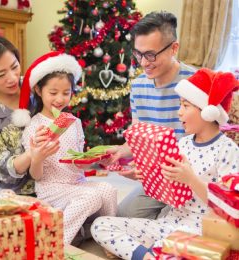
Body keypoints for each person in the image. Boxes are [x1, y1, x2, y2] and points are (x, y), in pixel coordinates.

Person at [91, 68, 239, 260]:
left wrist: (191, 179)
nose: (179, 112)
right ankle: (150, 256)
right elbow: (169, 193)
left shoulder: (228, 150)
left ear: (208, 112)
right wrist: (145, 176)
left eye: (186, 106)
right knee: (101, 225)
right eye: (180, 105)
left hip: (201, 232)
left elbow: (230, 208)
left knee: (177, 249)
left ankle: (154, 252)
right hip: (168, 224)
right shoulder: (183, 144)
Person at [16, 51, 117, 245]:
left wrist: (93, 161)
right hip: (51, 187)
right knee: (92, 197)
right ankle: (55, 244)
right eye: (53, 93)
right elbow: (36, 176)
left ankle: (107, 237)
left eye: (66, 93)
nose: (60, 99)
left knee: (109, 189)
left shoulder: (75, 122)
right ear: (39, 90)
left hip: (77, 183)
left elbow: (79, 165)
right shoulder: (35, 127)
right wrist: (37, 157)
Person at [106, 11, 196, 219]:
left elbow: (206, 145)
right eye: (138, 54)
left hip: (190, 175)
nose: (144, 63)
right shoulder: (138, 86)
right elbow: (139, 139)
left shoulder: (194, 82)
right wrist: (121, 152)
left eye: (150, 55)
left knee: (176, 221)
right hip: (158, 178)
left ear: (174, 48)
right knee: (121, 216)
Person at [0, 33, 48, 195]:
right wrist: (33, 153)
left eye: (15, 66)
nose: (12, 78)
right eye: (0, 75)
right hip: (12, 194)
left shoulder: (34, 86)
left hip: (51, 182)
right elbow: (3, 171)